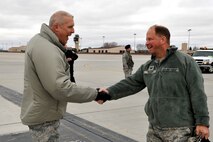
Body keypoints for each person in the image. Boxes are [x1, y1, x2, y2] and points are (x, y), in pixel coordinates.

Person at [96, 25, 210, 141]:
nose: (146, 43)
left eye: (150, 39)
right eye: (146, 39)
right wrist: (109, 93)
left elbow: (198, 93)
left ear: (163, 39)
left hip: (180, 130)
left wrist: (202, 122)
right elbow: (131, 83)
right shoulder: (148, 66)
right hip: (154, 130)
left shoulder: (185, 62)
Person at [20, 11, 104, 142]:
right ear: (56, 27)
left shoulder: (42, 42)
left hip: (42, 113)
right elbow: (60, 87)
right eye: (70, 27)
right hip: (44, 118)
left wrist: (63, 58)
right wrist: (95, 94)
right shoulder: (46, 48)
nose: (73, 31)